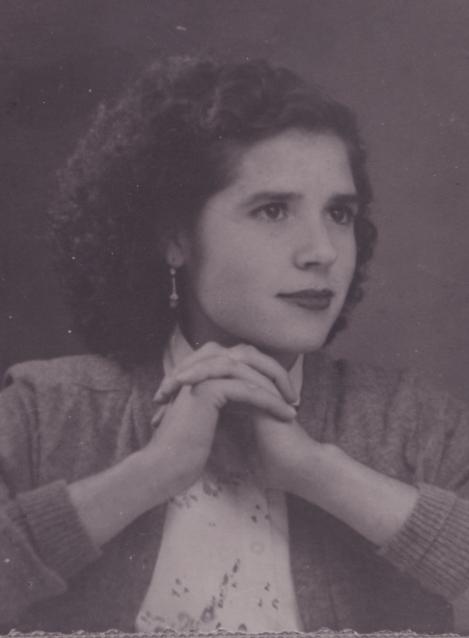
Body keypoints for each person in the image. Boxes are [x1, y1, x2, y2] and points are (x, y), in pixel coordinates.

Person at [1, 56, 469, 634]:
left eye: (339, 213)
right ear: (175, 237)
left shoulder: (420, 426)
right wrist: (152, 472)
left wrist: (319, 471)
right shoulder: (44, 412)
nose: (322, 251)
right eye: (273, 210)